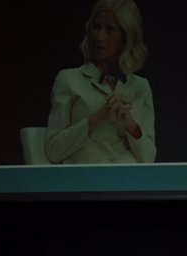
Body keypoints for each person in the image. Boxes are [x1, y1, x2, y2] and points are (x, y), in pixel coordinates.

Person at [45, 0, 156, 164]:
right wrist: (96, 119)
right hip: (84, 181)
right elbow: (53, 151)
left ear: (126, 36)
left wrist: (131, 125)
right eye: (97, 27)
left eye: (110, 30)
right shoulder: (69, 79)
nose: (100, 37)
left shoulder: (141, 87)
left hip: (127, 182)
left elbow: (148, 160)